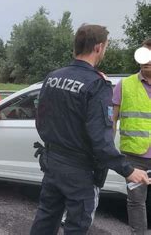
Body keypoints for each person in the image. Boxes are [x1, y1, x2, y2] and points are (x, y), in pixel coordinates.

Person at [30, 25, 149, 234]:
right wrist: (128, 170)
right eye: (106, 47)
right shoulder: (97, 84)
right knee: (76, 226)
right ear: (98, 47)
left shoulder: (53, 77)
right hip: (80, 171)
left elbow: (41, 121)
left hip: (53, 163)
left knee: (45, 219)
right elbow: (101, 141)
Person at [112, 38, 151, 235]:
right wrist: (107, 150)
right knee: (136, 202)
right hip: (134, 156)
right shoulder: (124, 85)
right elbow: (112, 121)